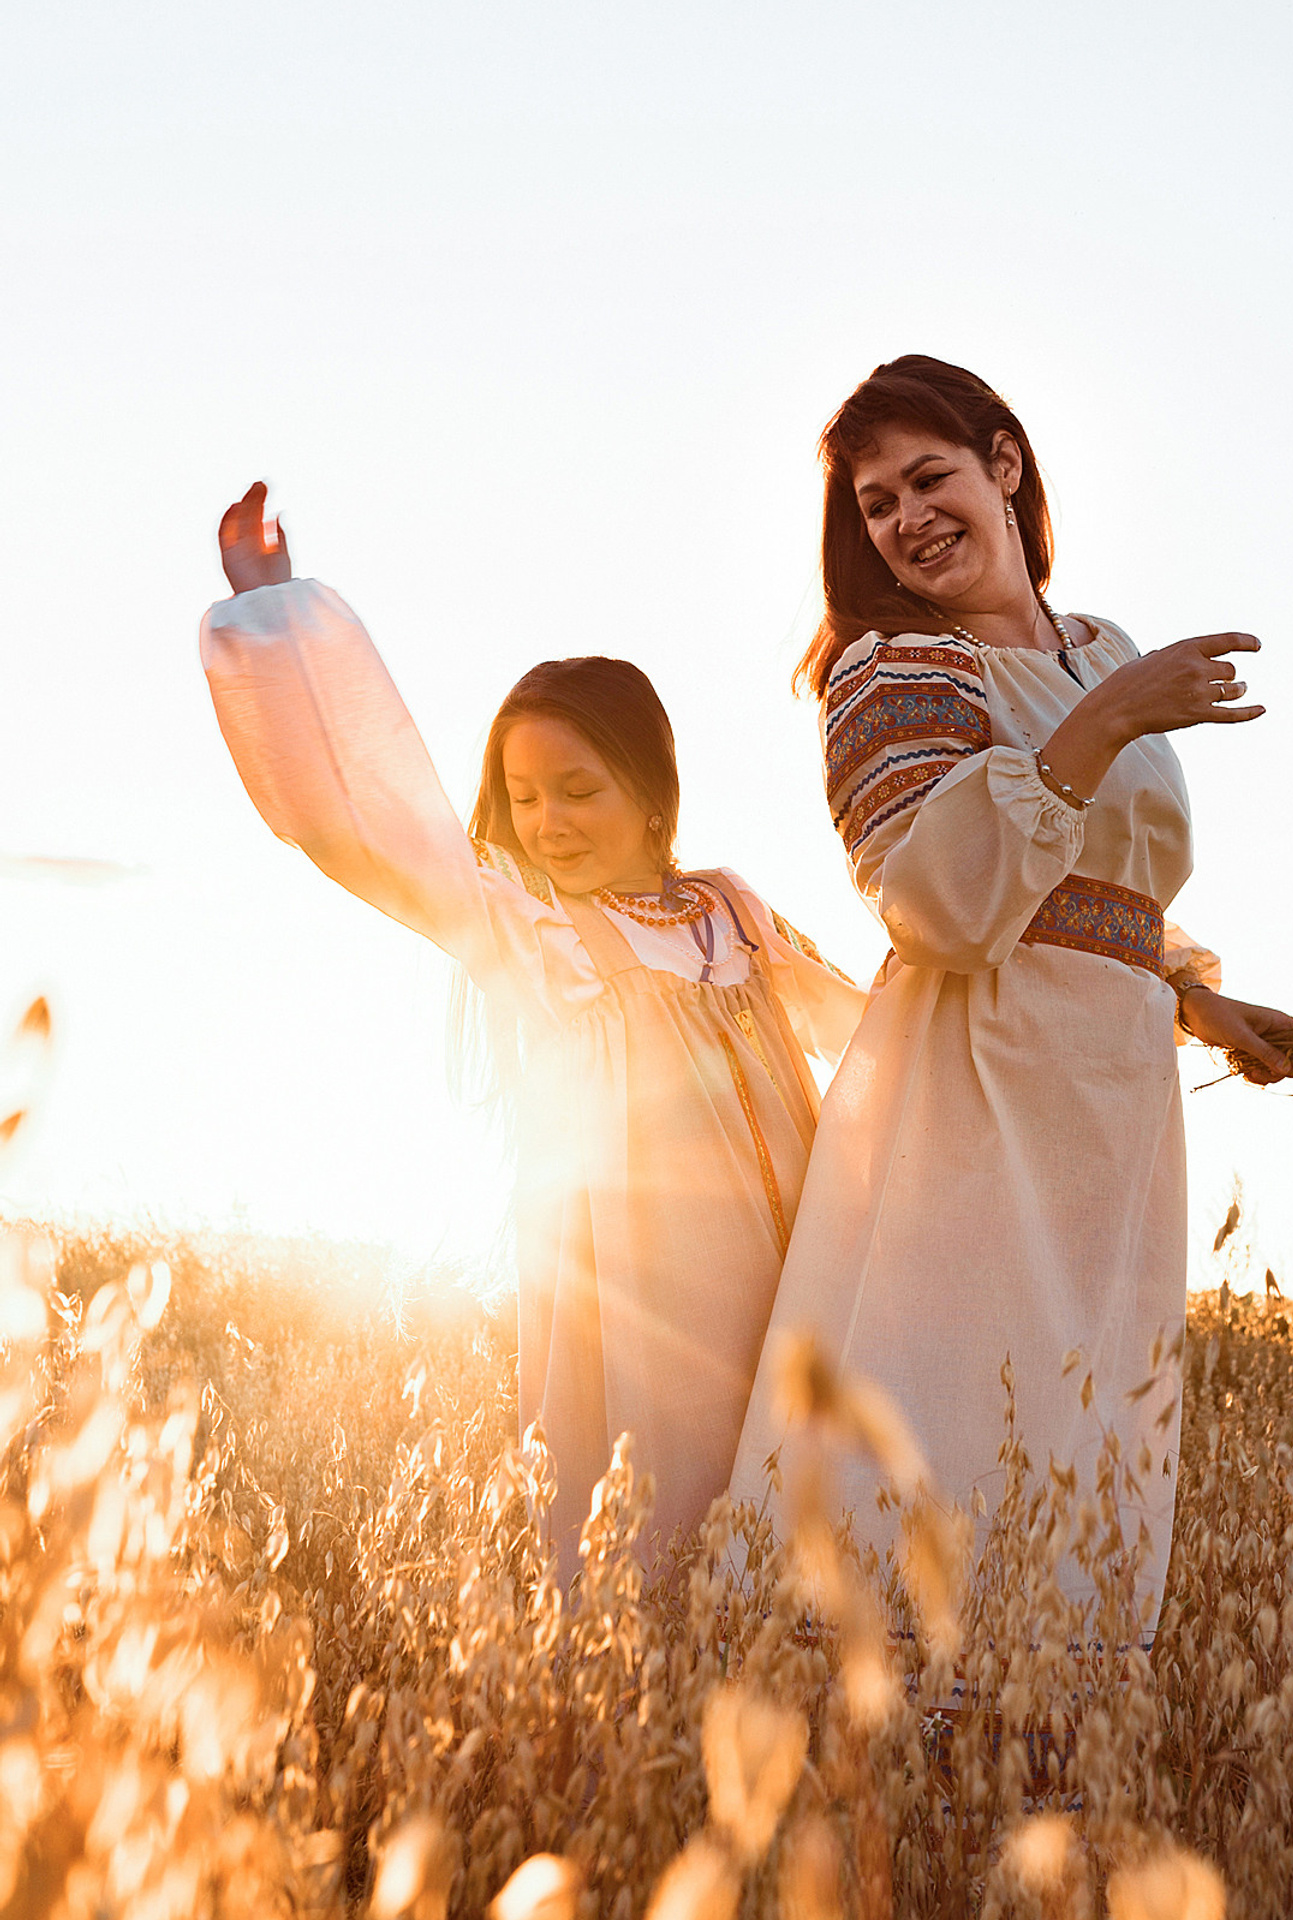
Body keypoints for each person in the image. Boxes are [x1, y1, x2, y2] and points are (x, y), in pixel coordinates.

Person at [727, 357, 1293, 1631]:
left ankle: (1041, 1720)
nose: (906, 518)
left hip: (1113, 1088)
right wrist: (1105, 724)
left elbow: (1107, 882)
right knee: (960, 1398)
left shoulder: (1103, 650)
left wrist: (1200, 999)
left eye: (927, 477)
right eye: (876, 503)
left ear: (1005, 464)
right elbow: (933, 901)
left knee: (1085, 1405)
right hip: (976, 1080)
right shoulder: (891, 668)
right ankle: (891, 1707)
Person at [201, 483, 865, 1574]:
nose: (546, 823)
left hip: (797, 1272)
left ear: (650, 793)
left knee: (798, 1536)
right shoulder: (533, 934)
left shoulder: (732, 911)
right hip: (645, 1310)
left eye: (578, 790)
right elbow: (367, 824)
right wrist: (277, 621)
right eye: (523, 797)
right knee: (658, 1541)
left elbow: (874, 1029)